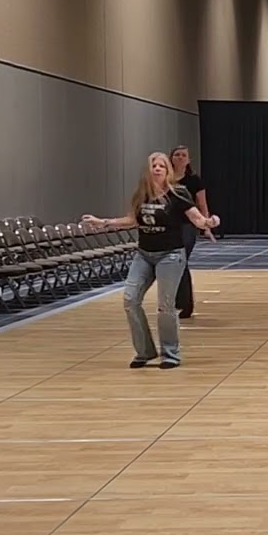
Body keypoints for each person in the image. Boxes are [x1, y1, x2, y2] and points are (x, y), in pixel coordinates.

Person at [82, 152, 220, 369]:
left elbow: (197, 219)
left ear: (167, 171)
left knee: (165, 306)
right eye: (153, 165)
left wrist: (209, 222)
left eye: (161, 166)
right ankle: (145, 351)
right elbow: (132, 220)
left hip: (170, 254)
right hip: (144, 254)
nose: (157, 169)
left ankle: (170, 354)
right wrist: (104, 222)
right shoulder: (142, 195)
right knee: (130, 300)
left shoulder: (178, 193)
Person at [169, 145, 212, 319]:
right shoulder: (165, 178)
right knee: (174, 263)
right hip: (169, 225)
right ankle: (176, 302)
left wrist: (206, 226)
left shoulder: (194, 180)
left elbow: (202, 204)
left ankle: (184, 304)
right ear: (171, 158)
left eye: (183, 155)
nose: (180, 157)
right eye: (177, 155)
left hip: (188, 224)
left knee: (181, 260)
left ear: (188, 160)